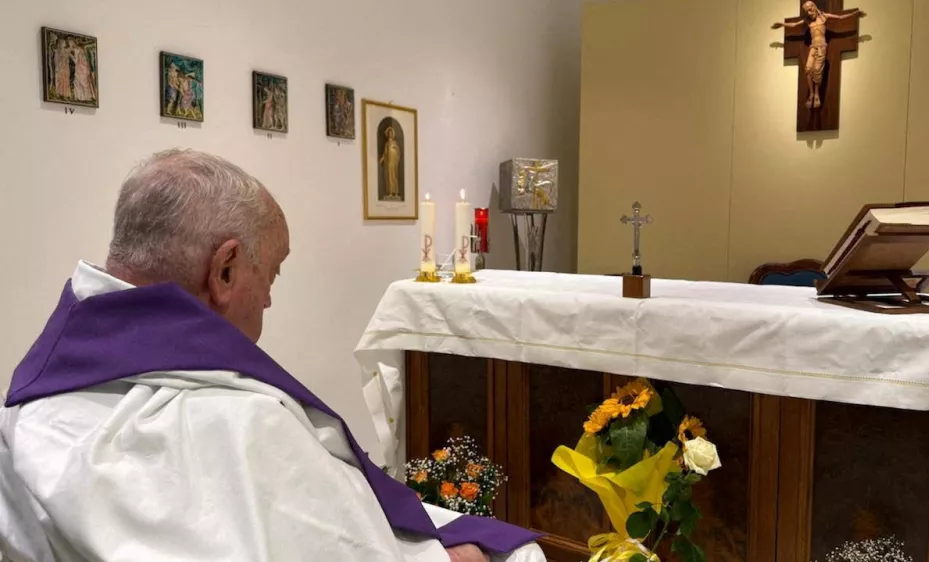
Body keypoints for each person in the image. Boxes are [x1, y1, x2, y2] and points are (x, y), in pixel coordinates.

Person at [0, 149, 543, 562]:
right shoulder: (244, 425)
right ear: (226, 270)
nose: (269, 298)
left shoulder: (25, 413)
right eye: (272, 272)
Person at [772, 1, 865, 109]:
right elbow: (794, 24)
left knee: (817, 70)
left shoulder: (824, 17)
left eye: (810, 9)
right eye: (807, 11)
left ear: (814, 7)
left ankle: (816, 94)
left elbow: (840, 17)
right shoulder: (808, 21)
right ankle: (811, 94)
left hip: (822, 47)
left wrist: (854, 14)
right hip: (812, 47)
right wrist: (782, 25)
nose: (809, 12)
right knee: (807, 69)